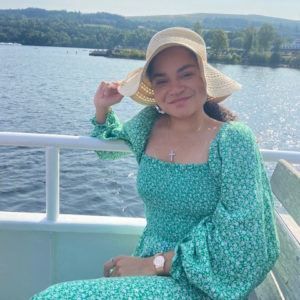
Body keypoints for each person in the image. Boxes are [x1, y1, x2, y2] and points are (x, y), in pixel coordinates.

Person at [31, 27, 280, 299]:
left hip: (203, 284)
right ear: (154, 89)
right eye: (162, 81)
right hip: (148, 272)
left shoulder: (232, 140)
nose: (175, 88)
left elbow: (243, 244)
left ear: (204, 79)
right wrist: (102, 109)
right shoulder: (149, 124)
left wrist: (152, 264)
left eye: (185, 73)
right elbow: (108, 149)